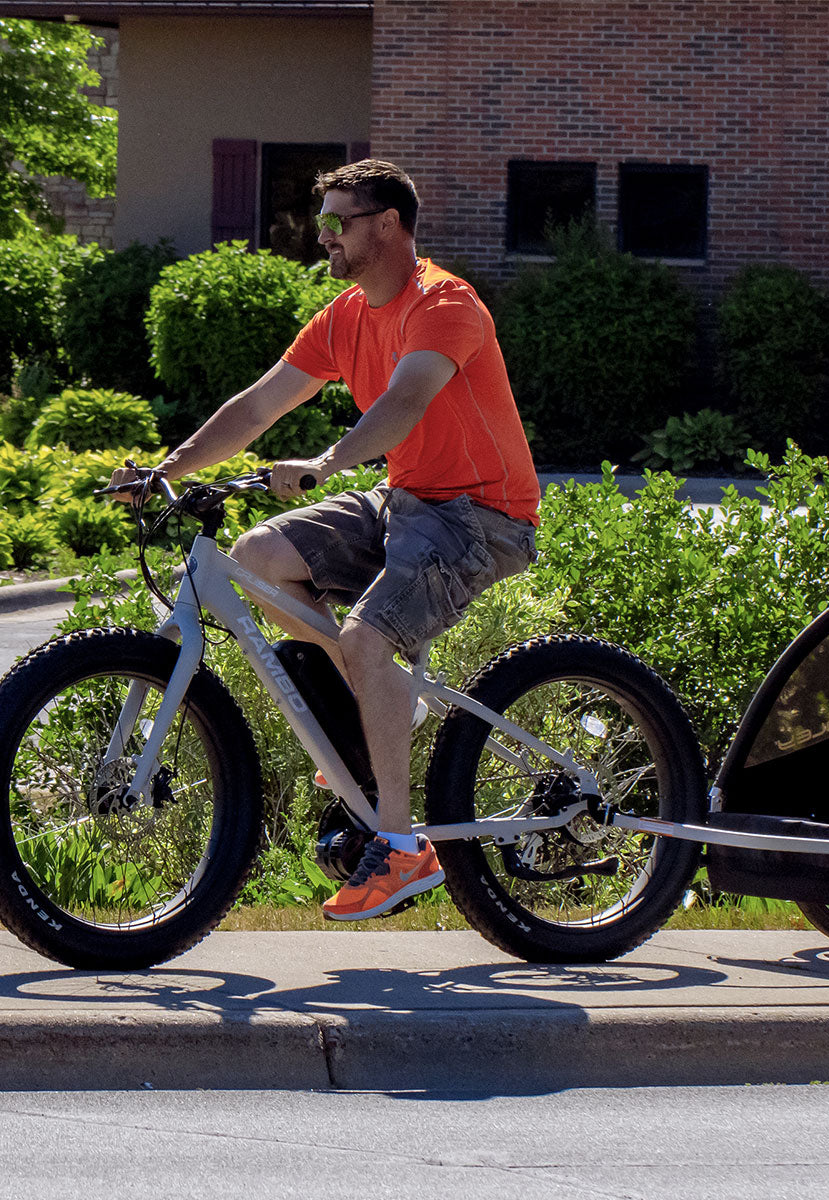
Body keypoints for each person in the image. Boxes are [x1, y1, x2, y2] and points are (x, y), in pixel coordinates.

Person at [109, 159, 540, 921]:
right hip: (404, 501)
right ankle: (386, 710)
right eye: (324, 221)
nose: (325, 235)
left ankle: (404, 849)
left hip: (480, 516)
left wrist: (328, 462)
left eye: (340, 220)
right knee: (256, 559)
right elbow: (259, 405)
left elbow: (406, 402)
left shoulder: (445, 303)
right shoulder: (346, 314)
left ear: (389, 224)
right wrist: (166, 469)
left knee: (367, 640)